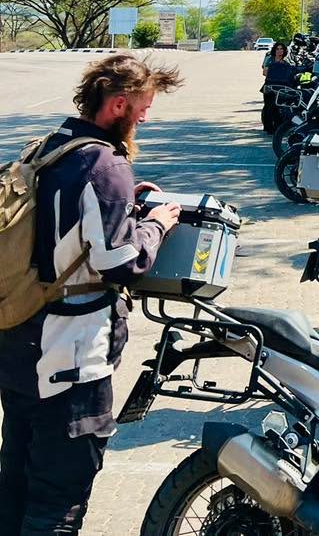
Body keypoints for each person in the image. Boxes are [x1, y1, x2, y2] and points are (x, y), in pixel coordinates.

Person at [0, 53, 181, 535]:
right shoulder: (104, 164)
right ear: (118, 104)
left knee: (15, 483)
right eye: (142, 107)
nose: (146, 116)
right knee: (59, 501)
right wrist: (156, 226)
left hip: (20, 342)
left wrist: (122, 210)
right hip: (70, 359)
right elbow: (120, 262)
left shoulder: (48, 147)